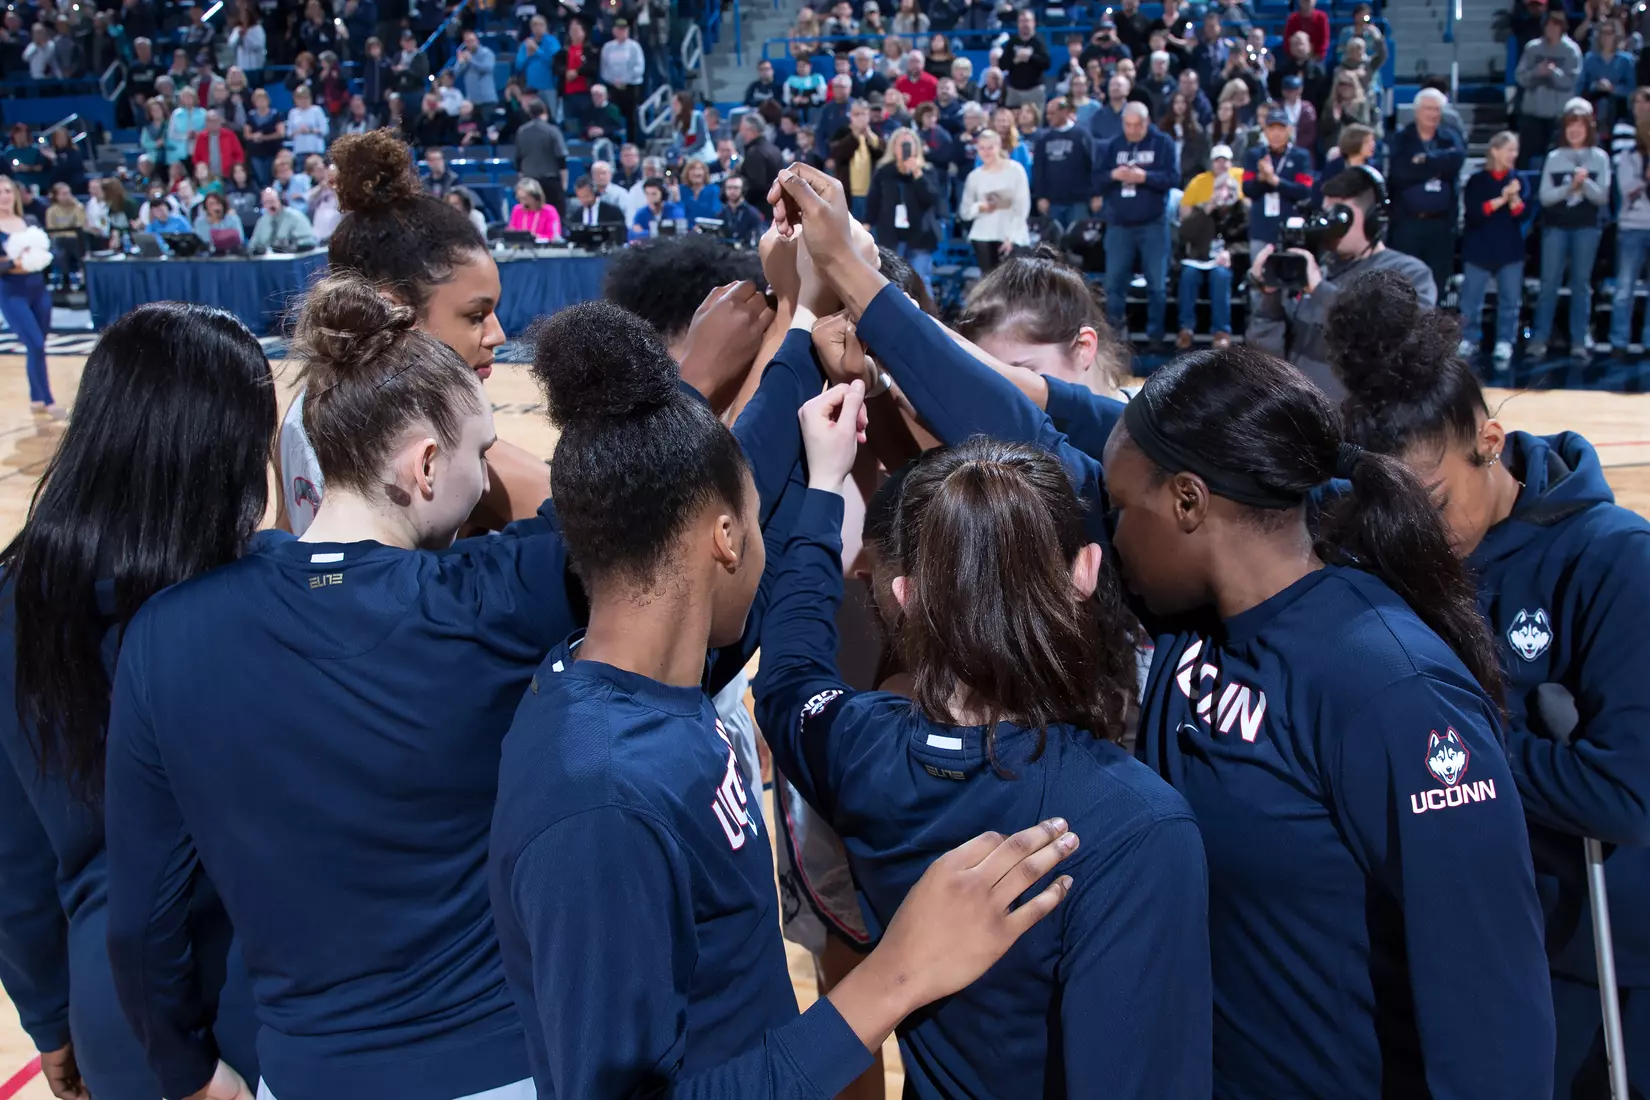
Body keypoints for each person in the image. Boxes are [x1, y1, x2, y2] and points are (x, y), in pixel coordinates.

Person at [491, 292, 1080, 1097]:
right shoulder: (600, 801)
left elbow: (788, 646)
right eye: (756, 521)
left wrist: (821, 478)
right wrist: (897, 977)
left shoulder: (642, 686)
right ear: (727, 538)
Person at [1099, 344, 1555, 1100]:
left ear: (1188, 502)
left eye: (1120, 510)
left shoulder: (1390, 687)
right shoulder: (1193, 620)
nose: (1110, 534)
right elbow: (1031, 431)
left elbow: (1491, 1002)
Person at [753, 413, 1210, 1098]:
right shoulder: (1136, 824)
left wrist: (824, 484)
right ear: (1086, 571)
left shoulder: (854, 749)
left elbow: (788, 672)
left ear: (902, 597)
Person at [1331, 271, 1650, 1100]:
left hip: (1586, 961)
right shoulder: (1390, 543)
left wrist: (1463, 752)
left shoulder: (1612, 558)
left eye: (1432, 503)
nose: (1418, 534)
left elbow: (1629, 788)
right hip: (1438, 939)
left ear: (1490, 441)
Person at [0, 304, 268, 1100]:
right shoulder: (260, 592)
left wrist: (50, 1017)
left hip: (115, 1010)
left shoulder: (15, 601)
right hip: (269, 993)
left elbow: (13, 859)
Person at [1247, 166, 1437, 399]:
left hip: (1366, 424)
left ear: (1372, 220)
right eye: (1326, 214)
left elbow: (1394, 338)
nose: (1329, 226)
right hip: (1302, 419)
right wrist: (1270, 296)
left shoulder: (1408, 273)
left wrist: (1319, 289)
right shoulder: (1313, 273)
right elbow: (1268, 355)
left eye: (1339, 216)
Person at [955, 248, 1130, 406]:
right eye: (989, 378)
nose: (1002, 395)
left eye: (1025, 372)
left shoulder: (1153, 435)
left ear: (1084, 347)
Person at [1528, 106, 1610, 361]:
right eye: (1570, 125)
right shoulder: (1554, 157)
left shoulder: (1599, 157)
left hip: (1586, 228)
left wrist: (1584, 182)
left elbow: (1602, 198)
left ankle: (1579, 339)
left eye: (1580, 125)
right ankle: (1539, 339)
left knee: (1581, 285)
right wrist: (1569, 187)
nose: (1575, 130)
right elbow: (1545, 197)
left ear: (1588, 129)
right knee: (1548, 284)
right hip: (1556, 227)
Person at [1095, 102, 1176, 353]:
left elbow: (1173, 178)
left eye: (1137, 125)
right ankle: (1116, 337)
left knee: (1157, 285)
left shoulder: (1163, 143)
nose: (1132, 130)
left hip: (1153, 224)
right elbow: (1096, 180)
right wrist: (1113, 176)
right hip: (1120, 225)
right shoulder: (1112, 145)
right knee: (1114, 284)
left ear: (1147, 121)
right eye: (1127, 125)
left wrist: (1145, 178)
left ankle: (1155, 337)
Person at [1388, 88, 1466, 294]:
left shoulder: (1450, 137)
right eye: (1428, 109)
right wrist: (1438, 165)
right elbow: (1401, 171)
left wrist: (1425, 160)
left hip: (1441, 225)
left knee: (1437, 285)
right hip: (1408, 224)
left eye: (1437, 110)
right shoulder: (1402, 138)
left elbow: (1457, 160)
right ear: (1417, 111)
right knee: (1404, 285)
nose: (1433, 114)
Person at [1460, 131, 1526, 366]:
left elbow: (1523, 215)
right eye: (1509, 149)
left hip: (1510, 250)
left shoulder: (1519, 180)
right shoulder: (1478, 181)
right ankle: (1468, 338)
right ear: (1495, 151)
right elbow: (1474, 212)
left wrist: (1515, 198)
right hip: (1479, 248)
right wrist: (1502, 199)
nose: (1513, 155)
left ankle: (1505, 341)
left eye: (1515, 150)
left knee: (1510, 301)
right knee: (1471, 301)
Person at [1178, 143, 1247, 350]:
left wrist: (1230, 253)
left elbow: (1246, 242)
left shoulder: (1241, 212)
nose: (1223, 194)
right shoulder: (1204, 208)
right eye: (1219, 189)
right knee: (1188, 274)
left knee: (1221, 275)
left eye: (1228, 190)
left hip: (1227, 262)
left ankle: (1221, 330)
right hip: (1201, 258)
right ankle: (1186, 328)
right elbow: (1186, 234)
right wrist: (1206, 210)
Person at [0, 176, 55, 415]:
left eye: (7, 191)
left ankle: (36, 397)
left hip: (38, 290)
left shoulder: (29, 220)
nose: (4, 196)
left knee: (38, 347)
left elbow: (46, 251)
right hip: (12, 294)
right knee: (35, 342)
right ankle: (49, 400)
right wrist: (14, 262)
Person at [866, 126, 941, 288]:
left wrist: (917, 174)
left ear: (916, 147)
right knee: (893, 281)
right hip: (891, 235)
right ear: (894, 148)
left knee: (921, 280)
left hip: (920, 235)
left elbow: (932, 199)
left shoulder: (927, 170)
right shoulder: (884, 171)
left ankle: (926, 313)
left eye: (908, 144)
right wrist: (867, 223)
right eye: (901, 145)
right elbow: (874, 199)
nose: (905, 149)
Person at [1516, 12, 1582, 167]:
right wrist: (1537, 72)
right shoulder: (1532, 48)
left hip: (1558, 115)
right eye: (1548, 26)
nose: (1550, 29)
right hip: (1533, 113)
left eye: (1555, 26)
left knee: (1556, 156)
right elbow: (1520, 76)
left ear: (1562, 27)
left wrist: (1553, 73)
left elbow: (1571, 81)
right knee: (1525, 155)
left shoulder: (1571, 50)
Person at [1241, 114, 1314, 254]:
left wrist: (1276, 181)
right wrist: (1260, 179)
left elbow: (1304, 190)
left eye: (1281, 128)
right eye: (1271, 128)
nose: (1276, 133)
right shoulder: (1254, 155)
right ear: (1265, 131)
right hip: (1261, 228)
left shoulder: (1301, 156)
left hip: (1291, 227)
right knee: (1258, 272)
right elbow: (1247, 189)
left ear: (1290, 130)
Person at [960, 128, 1029, 273]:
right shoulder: (974, 177)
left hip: (1012, 235)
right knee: (989, 285)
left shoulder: (1015, 170)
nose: (986, 152)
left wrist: (1012, 236)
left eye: (990, 148)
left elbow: (1023, 206)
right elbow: (965, 212)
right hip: (983, 236)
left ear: (998, 147)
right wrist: (980, 207)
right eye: (981, 148)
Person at [1031, 96, 1098, 232]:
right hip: (1052, 202)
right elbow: (1038, 169)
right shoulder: (1043, 139)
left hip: (1079, 201)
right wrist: (1041, 196)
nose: (1048, 117)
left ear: (1065, 112)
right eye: (1047, 113)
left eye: (1052, 113)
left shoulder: (1082, 135)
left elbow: (1094, 165)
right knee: (1054, 246)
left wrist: (1096, 194)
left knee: (1078, 243)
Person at [513, 99, 568, 215]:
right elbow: (561, 158)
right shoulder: (552, 130)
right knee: (556, 216)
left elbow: (518, 161)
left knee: (531, 216)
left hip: (529, 183)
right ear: (544, 112)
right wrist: (564, 185)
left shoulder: (521, 131)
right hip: (550, 182)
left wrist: (522, 183)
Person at [600, 18, 646, 142]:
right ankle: (615, 142)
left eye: (624, 30)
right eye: (619, 30)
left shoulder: (634, 47)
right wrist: (613, 80)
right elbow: (604, 68)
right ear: (614, 31)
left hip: (631, 87)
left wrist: (625, 80)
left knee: (631, 117)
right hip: (613, 86)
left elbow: (639, 67)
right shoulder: (608, 47)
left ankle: (633, 143)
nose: (622, 32)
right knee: (613, 115)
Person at [737, 113, 784, 218]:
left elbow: (757, 185)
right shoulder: (774, 149)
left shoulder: (755, 153)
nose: (740, 133)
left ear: (750, 130)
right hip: (776, 206)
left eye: (742, 129)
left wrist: (742, 200)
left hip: (761, 210)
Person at [247, 188, 317, 254]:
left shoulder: (296, 217)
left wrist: (291, 246)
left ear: (280, 200)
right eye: (265, 203)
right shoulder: (262, 221)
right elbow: (252, 245)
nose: (269, 206)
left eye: (272, 201)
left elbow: (310, 242)